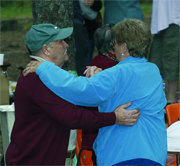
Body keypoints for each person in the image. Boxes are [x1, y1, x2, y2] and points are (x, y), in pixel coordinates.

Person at [23, 19, 167, 165]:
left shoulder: (117, 74)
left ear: (124, 47)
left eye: (115, 42)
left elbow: (81, 89)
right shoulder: (153, 71)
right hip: (154, 153)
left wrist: (45, 68)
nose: (113, 46)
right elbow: (120, 89)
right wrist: (98, 79)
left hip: (125, 154)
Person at [79, 24, 119, 165]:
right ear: (114, 44)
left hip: (97, 132)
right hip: (103, 135)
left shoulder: (96, 62)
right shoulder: (110, 67)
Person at [149, 0, 180, 104]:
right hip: (160, 22)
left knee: (170, 61)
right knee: (155, 61)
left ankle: (171, 100)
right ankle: (160, 99)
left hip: (174, 20)